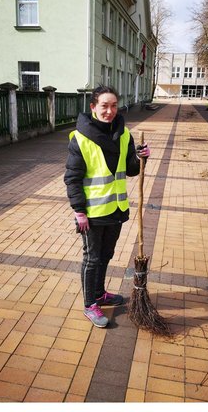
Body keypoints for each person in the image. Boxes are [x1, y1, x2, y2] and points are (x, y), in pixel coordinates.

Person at [63, 86, 151, 328]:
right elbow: (72, 178)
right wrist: (78, 211)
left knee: (106, 255)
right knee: (92, 258)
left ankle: (100, 293)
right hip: (91, 213)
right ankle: (90, 304)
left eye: (113, 106)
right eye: (104, 106)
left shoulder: (124, 135)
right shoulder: (80, 138)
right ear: (93, 107)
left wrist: (140, 157)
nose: (110, 111)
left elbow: (131, 170)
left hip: (116, 209)